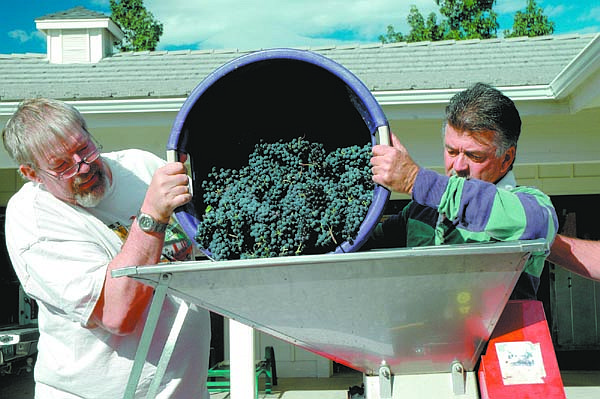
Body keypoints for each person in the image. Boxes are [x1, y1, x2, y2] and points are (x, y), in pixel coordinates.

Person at [2, 98, 210, 398]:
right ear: (33, 174)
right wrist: (151, 215)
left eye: (84, 148)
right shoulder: (33, 218)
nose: (82, 167)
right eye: (61, 165)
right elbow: (117, 314)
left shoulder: (142, 167)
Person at [369, 82, 559, 300]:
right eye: (451, 151)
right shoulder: (419, 213)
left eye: (474, 156)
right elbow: (364, 246)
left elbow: (535, 226)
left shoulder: (532, 208)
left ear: (506, 158)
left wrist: (416, 181)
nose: (458, 166)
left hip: (503, 334)